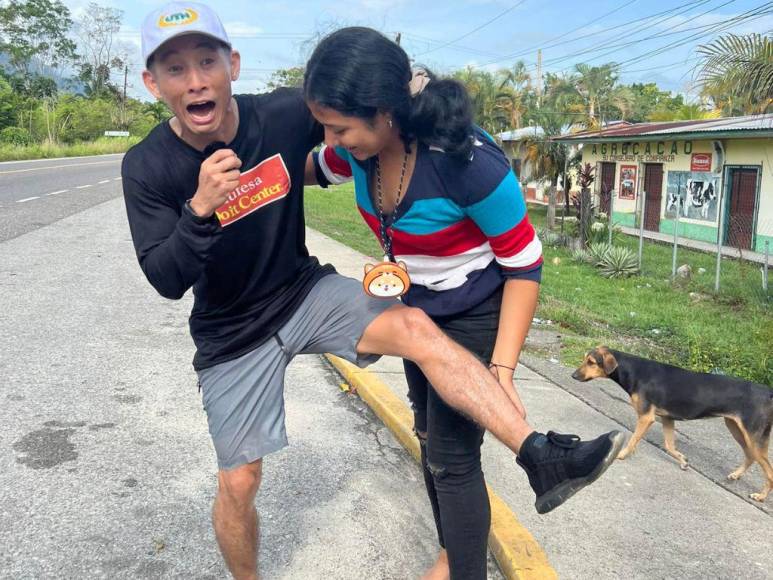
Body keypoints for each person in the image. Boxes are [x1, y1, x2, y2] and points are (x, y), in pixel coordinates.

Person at [123, 4, 623, 579]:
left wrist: (503, 367)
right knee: (240, 480)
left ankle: (542, 455)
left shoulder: (292, 114)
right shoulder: (147, 165)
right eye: (175, 68)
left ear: (232, 65)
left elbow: (364, 105)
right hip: (230, 332)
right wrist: (200, 210)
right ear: (151, 82)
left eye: (206, 61)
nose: (195, 80)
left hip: (305, 293)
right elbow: (165, 278)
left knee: (417, 336)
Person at [304, 27, 613, 579]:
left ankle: (464, 569)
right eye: (326, 127)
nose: (332, 139)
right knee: (428, 436)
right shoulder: (356, 154)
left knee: (452, 456)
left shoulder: (466, 160)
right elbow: (307, 170)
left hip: (477, 312)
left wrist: (502, 368)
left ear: (383, 111)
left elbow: (524, 264)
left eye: (339, 127)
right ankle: (454, 553)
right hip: (415, 316)